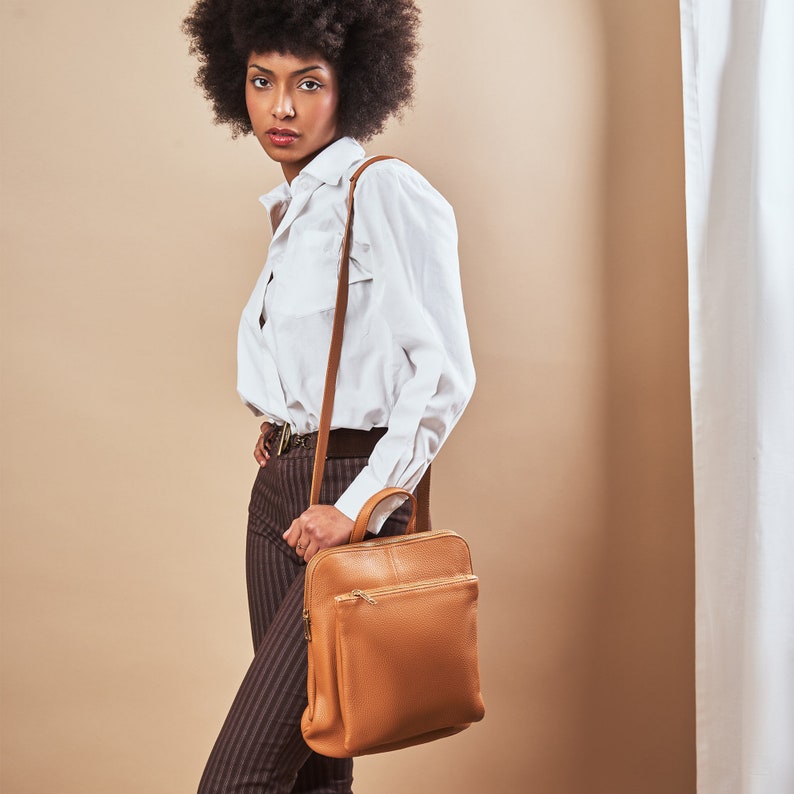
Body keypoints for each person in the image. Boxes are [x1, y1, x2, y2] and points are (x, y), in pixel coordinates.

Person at [183, 1, 475, 791]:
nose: (281, 107)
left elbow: (444, 371)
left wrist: (360, 503)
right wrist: (287, 423)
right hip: (279, 497)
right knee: (314, 768)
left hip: (342, 502)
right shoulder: (293, 214)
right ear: (233, 85)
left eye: (307, 83)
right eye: (261, 81)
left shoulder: (380, 191)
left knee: (239, 777)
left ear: (352, 86)